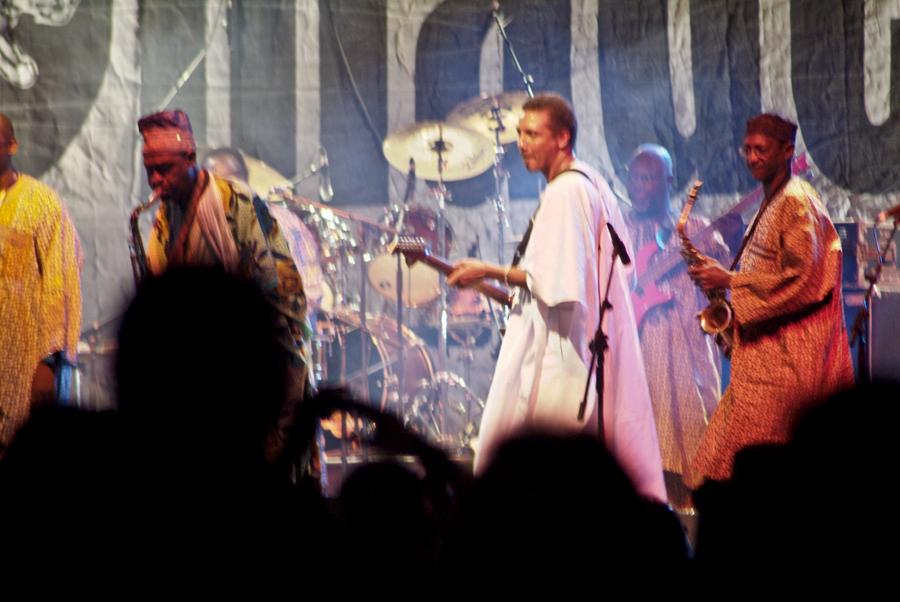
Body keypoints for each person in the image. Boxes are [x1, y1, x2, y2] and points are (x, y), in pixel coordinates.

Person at [448, 94, 666, 501]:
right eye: (520, 134)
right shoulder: (592, 181)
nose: (522, 144)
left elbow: (554, 283)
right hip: (585, 346)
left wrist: (488, 269)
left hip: (562, 358)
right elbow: (602, 272)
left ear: (562, 137)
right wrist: (492, 282)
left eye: (533, 134)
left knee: (543, 479)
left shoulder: (566, 192)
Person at [138, 110, 312, 470]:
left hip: (251, 373)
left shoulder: (237, 204)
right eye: (149, 170)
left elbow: (275, 292)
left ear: (190, 159)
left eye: (165, 169)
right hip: (199, 380)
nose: (155, 180)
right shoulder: (164, 217)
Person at [688, 113, 854, 484]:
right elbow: (767, 269)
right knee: (743, 468)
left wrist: (729, 278)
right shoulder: (771, 202)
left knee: (769, 471)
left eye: (761, 150)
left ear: (787, 151)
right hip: (763, 362)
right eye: (747, 149)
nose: (752, 158)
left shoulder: (796, 201)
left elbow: (806, 278)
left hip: (788, 366)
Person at [624, 144, 734, 506]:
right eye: (634, 177)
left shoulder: (699, 231)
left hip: (690, 367)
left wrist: (718, 261)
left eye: (649, 178)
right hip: (637, 366)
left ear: (670, 181)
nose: (639, 186)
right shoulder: (617, 233)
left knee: (696, 458)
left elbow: (725, 296)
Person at [0, 112, 82, 452]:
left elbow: (61, 286)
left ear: (12, 145)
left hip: (24, 371)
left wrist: (49, 365)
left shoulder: (41, 202)